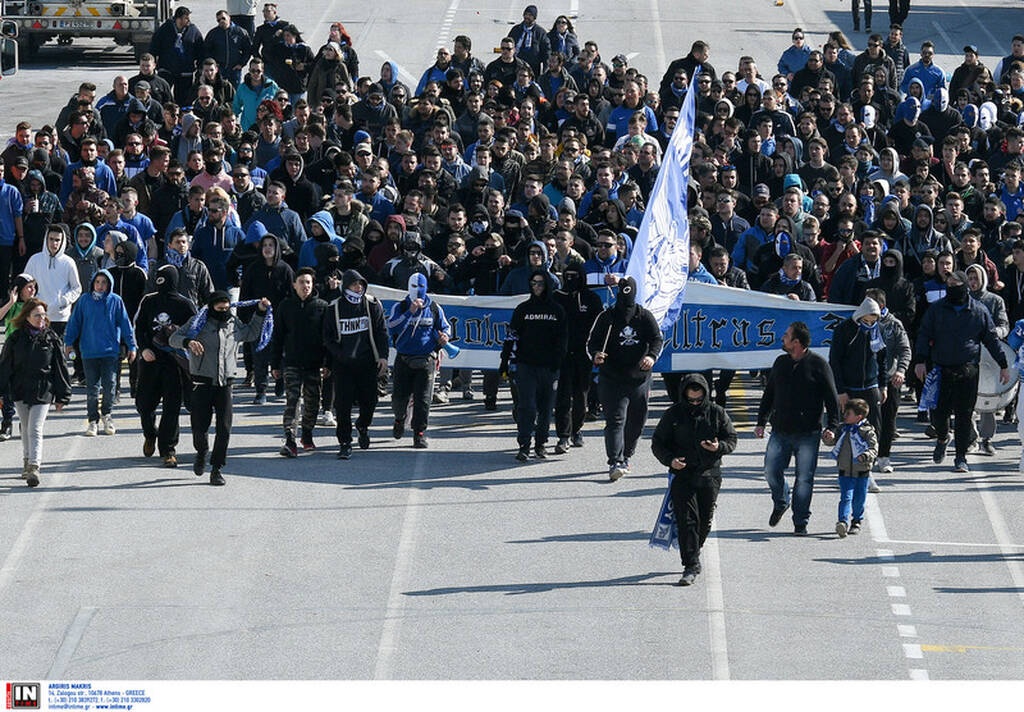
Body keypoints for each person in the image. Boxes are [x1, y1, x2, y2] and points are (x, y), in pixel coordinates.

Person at [170, 291, 271, 485]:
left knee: (224, 428)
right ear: (211, 307)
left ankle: (217, 468)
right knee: (200, 427)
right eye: (220, 308)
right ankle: (201, 452)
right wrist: (188, 342)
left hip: (225, 383)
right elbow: (174, 338)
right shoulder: (198, 321)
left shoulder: (233, 322)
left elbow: (250, 333)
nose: (224, 311)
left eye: (227, 308)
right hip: (202, 382)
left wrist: (259, 312)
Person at [913, 270, 1009, 473]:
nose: (952, 288)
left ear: (964, 287)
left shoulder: (979, 311)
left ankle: (960, 457)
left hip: (968, 370)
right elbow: (924, 334)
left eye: (956, 284)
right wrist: (920, 360)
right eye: (949, 284)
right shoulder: (937, 310)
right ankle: (942, 437)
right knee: (938, 413)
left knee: (964, 416)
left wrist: (1003, 364)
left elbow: (991, 340)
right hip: (941, 369)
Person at [651, 373, 738, 586]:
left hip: (710, 474)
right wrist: (670, 460)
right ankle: (690, 563)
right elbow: (658, 443)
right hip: (683, 473)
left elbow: (731, 438)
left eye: (699, 400)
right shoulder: (673, 415)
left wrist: (719, 448)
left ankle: (694, 549)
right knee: (686, 519)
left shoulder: (717, 413)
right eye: (691, 400)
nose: (695, 403)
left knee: (704, 520)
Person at [755, 321, 841, 535]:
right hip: (780, 430)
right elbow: (770, 394)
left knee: (804, 478)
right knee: (770, 471)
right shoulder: (780, 363)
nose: (782, 339)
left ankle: (800, 521)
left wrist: (832, 426)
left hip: (808, 433)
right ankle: (781, 499)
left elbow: (831, 398)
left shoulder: (819, 365)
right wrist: (761, 421)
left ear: (797, 342)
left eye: (786, 336)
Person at [586, 276, 664, 481]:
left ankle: (627, 454)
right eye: (622, 295)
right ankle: (615, 460)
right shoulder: (607, 317)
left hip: (639, 378)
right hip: (612, 377)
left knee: (637, 420)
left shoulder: (644, 316)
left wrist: (651, 356)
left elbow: (657, 339)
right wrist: (595, 355)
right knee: (615, 420)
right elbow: (592, 342)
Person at [0, 298, 72, 487]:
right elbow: (5, 365)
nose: (41, 318)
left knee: (35, 428)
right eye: (37, 315)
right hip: (21, 389)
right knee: (25, 427)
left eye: (43, 315)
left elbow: (60, 367)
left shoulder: (51, 338)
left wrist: (62, 395)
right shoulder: (15, 338)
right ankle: (26, 460)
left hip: (43, 389)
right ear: (27, 317)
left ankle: (34, 466)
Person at [134, 265, 197, 467]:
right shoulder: (149, 301)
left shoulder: (185, 305)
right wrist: (144, 349)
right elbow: (140, 328)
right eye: (159, 278)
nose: (161, 282)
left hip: (174, 364)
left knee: (171, 408)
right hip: (150, 362)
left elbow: (194, 331)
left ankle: (168, 449)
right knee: (144, 404)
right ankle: (150, 434)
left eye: (165, 278)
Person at [63, 269, 137, 437]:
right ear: (92, 284)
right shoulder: (84, 301)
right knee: (92, 388)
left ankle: (107, 414)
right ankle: (92, 420)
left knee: (110, 385)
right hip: (89, 351)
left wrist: (132, 346)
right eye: (98, 282)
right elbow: (74, 323)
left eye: (104, 282)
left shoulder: (116, 301)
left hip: (110, 351)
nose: (100, 286)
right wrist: (68, 342)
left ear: (109, 284)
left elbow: (126, 325)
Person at [323, 269, 388, 459]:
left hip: (367, 362)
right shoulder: (334, 307)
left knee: (370, 402)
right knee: (342, 405)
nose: (358, 288)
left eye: (361, 284)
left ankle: (363, 425)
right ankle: (345, 442)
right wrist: (339, 356)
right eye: (354, 284)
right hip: (343, 365)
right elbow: (327, 338)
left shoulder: (372, 305)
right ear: (346, 286)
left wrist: (383, 356)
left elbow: (381, 332)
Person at [503, 269, 567, 461]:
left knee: (546, 408)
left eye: (540, 283)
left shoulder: (557, 310)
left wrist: (557, 362)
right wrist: (505, 361)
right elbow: (511, 336)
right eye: (533, 283)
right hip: (526, 365)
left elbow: (562, 340)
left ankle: (541, 444)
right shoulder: (523, 309)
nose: (536, 287)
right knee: (527, 406)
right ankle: (524, 445)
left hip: (549, 367)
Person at [388, 273, 451, 449]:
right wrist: (410, 312)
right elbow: (392, 326)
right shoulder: (400, 306)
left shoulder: (434, 308)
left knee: (423, 400)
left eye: (421, 287)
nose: (418, 291)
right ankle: (399, 419)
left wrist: (445, 336)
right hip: (404, 359)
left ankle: (419, 433)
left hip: (426, 360)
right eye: (414, 287)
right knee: (399, 398)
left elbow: (445, 327)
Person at [270, 268, 328, 457]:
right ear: (294, 284)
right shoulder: (285, 306)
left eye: (308, 283)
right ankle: (290, 439)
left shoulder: (321, 306)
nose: (305, 286)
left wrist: (328, 363)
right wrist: (275, 364)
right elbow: (277, 336)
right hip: (292, 362)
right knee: (293, 401)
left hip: (314, 363)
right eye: (302, 282)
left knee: (313, 402)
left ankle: (307, 434)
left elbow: (328, 338)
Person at [552, 265, 604, 452]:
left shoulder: (591, 298)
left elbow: (600, 325)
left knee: (581, 395)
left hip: (584, 355)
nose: (571, 279)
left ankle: (577, 430)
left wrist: (596, 350)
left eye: (575, 276)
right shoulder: (557, 297)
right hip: (563, 355)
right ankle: (563, 436)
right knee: (563, 396)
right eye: (568, 276)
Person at [825, 398, 878, 538]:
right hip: (844, 469)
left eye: (848, 413)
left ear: (858, 416)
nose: (845, 416)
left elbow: (874, 448)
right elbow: (833, 443)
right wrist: (828, 438)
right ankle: (842, 522)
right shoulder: (842, 429)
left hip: (862, 470)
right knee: (845, 497)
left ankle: (856, 521)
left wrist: (865, 455)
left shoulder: (867, 431)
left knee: (859, 498)